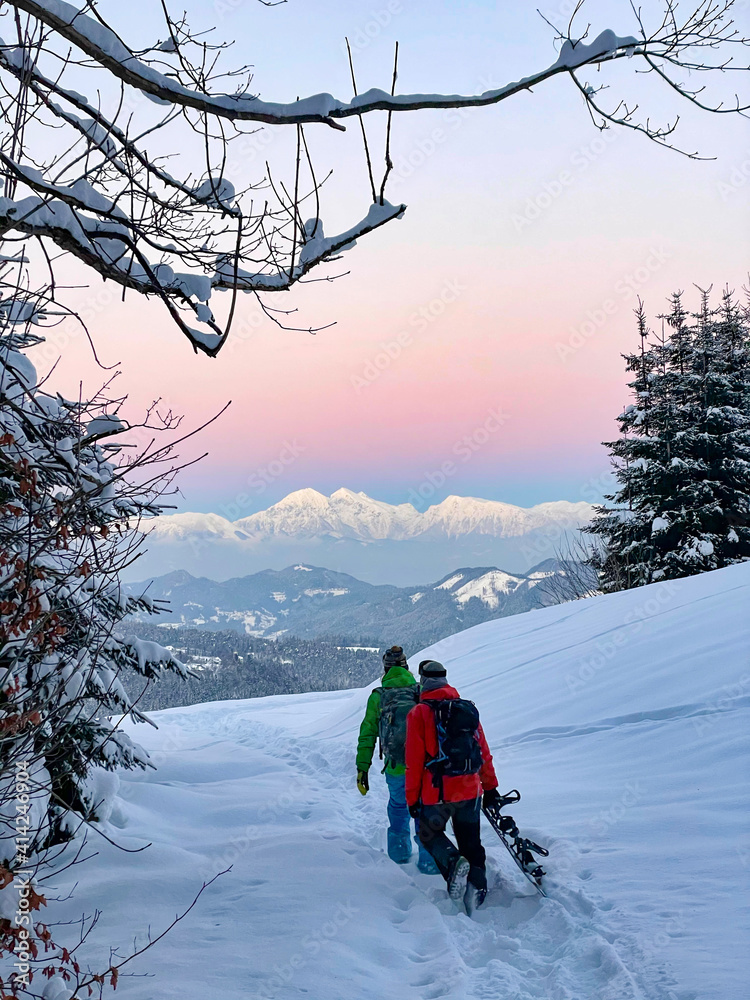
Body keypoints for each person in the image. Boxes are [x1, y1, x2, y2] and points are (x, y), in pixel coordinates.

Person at [405, 659, 501, 911]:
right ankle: (477, 890)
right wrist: (490, 787)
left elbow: (413, 762)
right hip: (470, 790)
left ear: (423, 681)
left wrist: (411, 800)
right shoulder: (466, 710)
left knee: (428, 834)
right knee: (471, 841)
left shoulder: (419, 713)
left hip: (436, 792)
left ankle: (453, 863)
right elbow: (483, 752)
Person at [356, 646, 440, 873]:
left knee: (398, 805)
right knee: (423, 809)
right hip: (424, 766)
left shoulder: (378, 696)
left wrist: (362, 768)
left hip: (395, 766)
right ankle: (429, 862)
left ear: (385, 670)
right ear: (406, 667)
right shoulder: (420, 690)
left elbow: (367, 734)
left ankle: (399, 854)